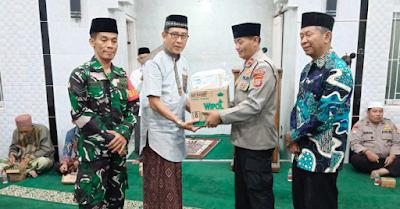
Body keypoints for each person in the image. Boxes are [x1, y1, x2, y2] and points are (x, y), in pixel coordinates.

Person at [203, 23, 278, 208]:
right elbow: (240, 104)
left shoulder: (263, 67)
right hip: (243, 142)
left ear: (255, 40)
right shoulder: (248, 65)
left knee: (259, 196)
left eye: (240, 41)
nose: (236, 47)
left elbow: (253, 105)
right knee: (243, 196)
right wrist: (214, 106)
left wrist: (220, 115)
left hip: (257, 145)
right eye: (235, 42)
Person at [285, 12, 353, 209]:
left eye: (309, 35)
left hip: (324, 155)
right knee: (301, 202)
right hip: (302, 152)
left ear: (327, 36)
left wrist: (294, 135)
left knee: (320, 203)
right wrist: (293, 135)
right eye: (301, 36)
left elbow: (324, 114)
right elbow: (299, 105)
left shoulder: (338, 70)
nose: (304, 41)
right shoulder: (308, 69)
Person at [68, 17, 137, 209]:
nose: (110, 45)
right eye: (104, 39)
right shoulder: (80, 75)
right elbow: (80, 113)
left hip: (118, 158)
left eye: (114, 40)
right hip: (93, 159)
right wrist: (113, 138)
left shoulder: (122, 75)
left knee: (116, 203)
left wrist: (123, 133)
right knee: (92, 204)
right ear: (92, 42)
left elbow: (133, 106)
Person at [140, 14, 200, 208]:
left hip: (175, 132)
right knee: (158, 191)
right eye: (174, 34)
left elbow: (182, 96)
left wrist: (201, 113)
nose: (179, 40)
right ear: (164, 35)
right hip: (157, 136)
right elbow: (154, 102)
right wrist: (179, 122)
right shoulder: (153, 61)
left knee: (172, 188)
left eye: (184, 36)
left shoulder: (183, 62)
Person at [350, 101, 400, 178]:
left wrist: (392, 156)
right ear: (368, 112)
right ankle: (391, 170)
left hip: (387, 159)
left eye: (380, 111)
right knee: (355, 159)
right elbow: (354, 142)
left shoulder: (389, 124)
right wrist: (367, 152)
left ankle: (383, 171)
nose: (378, 114)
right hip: (370, 160)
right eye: (374, 111)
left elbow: (397, 142)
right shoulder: (360, 125)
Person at [0, 114, 54, 178]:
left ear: (31, 126)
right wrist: (12, 155)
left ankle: (18, 171)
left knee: (44, 162)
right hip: (21, 161)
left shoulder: (42, 130)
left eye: (26, 131)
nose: (24, 134)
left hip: (37, 159)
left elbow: (47, 149)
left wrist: (28, 159)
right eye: (21, 132)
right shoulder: (16, 132)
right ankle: (26, 171)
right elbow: (14, 147)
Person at [129, 47, 150, 165]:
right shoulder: (135, 74)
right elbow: (133, 92)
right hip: (139, 108)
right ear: (138, 60)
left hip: (154, 109)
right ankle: (139, 156)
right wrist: (142, 80)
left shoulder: (157, 72)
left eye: (147, 57)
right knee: (139, 133)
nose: (144, 60)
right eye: (142, 58)